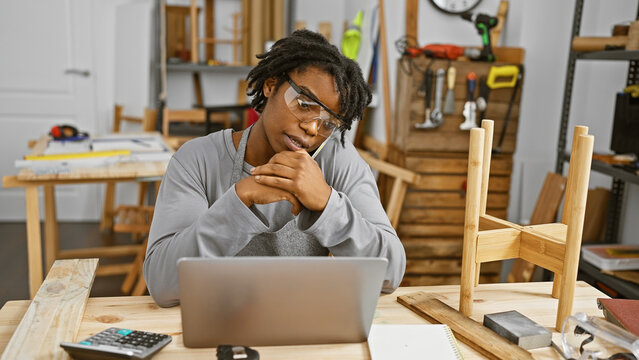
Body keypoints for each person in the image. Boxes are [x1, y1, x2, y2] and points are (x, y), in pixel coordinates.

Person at [144, 29, 406, 307]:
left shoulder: (337, 158)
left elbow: (391, 271)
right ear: (270, 85)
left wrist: (327, 204)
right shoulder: (197, 160)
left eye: (329, 123)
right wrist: (241, 199)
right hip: (220, 323)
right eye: (304, 104)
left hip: (304, 325)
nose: (312, 128)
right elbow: (162, 284)